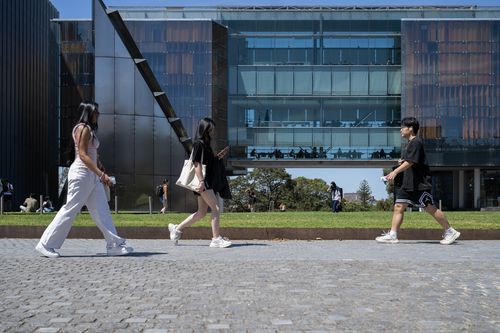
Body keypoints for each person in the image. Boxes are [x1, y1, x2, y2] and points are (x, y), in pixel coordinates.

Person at [36, 101, 133, 258]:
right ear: (88, 112)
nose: (98, 115)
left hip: (91, 176)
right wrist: (102, 175)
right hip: (81, 175)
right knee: (70, 209)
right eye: (96, 112)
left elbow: (93, 155)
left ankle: (114, 245)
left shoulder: (90, 130)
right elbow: (82, 155)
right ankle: (45, 244)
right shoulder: (83, 128)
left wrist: (100, 170)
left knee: (102, 211)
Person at [376, 117, 461, 245]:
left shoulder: (416, 142)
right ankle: (393, 235)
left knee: (430, 208)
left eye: (402, 127)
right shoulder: (411, 143)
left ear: (410, 129)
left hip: (419, 184)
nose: (400, 130)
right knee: (398, 206)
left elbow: (411, 162)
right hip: (408, 184)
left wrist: (395, 171)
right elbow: (410, 161)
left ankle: (450, 231)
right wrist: (401, 163)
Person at [168, 117, 232, 248]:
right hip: (202, 181)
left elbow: (207, 163)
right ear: (205, 130)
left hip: (204, 181)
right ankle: (216, 239)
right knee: (216, 208)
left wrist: (218, 157)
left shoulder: (206, 146)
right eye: (210, 129)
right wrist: (202, 181)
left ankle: (177, 228)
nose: (212, 132)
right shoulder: (198, 144)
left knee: (201, 213)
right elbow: (196, 164)